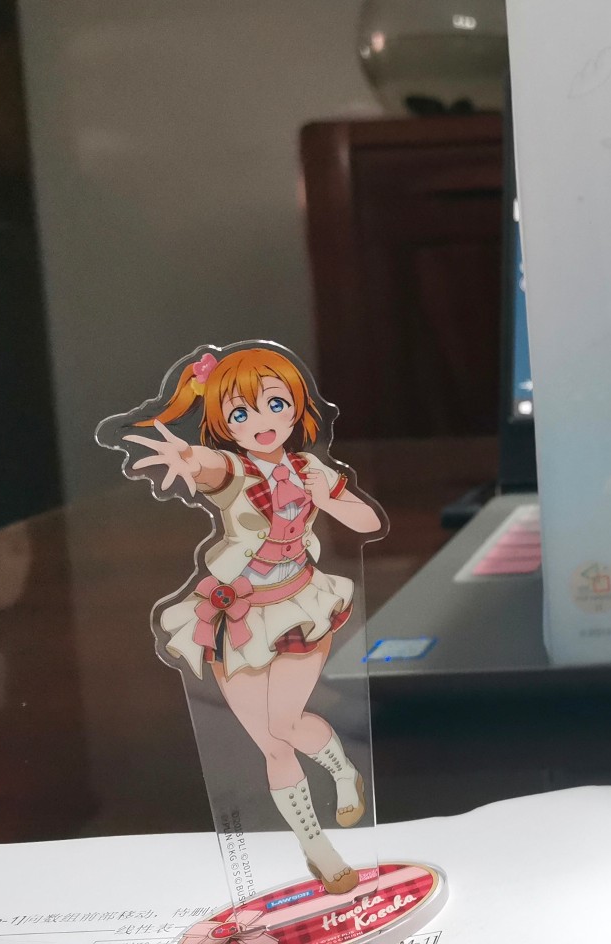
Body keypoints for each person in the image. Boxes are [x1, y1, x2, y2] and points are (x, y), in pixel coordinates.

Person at [109, 344, 384, 895]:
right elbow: (212, 469)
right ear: (224, 425)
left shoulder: (311, 468)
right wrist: (190, 459)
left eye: (275, 404)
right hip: (233, 614)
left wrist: (327, 500)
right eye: (240, 413)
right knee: (271, 745)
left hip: (299, 607)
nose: (261, 422)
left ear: (296, 406)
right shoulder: (234, 468)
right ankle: (319, 850)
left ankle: (342, 771)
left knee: (285, 723)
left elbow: (369, 521)